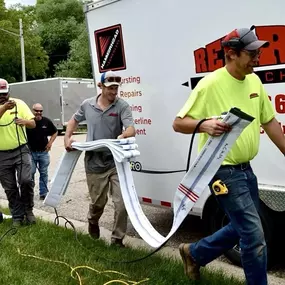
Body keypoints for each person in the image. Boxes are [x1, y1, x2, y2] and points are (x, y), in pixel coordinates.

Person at [172, 27, 285, 285]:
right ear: (231, 53)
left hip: (246, 170)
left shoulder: (254, 81)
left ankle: (194, 253)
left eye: (259, 52)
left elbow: (269, 122)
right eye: (252, 53)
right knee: (255, 235)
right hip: (222, 170)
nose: (257, 58)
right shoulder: (210, 84)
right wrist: (203, 125)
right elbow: (178, 123)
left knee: (242, 226)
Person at [64, 70, 136, 247]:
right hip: (94, 162)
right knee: (99, 202)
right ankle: (93, 220)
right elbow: (73, 121)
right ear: (101, 86)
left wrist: (124, 135)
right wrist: (67, 138)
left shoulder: (122, 106)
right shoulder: (87, 105)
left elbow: (131, 129)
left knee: (122, 203)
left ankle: (117, 239)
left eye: (116, 89)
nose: (114, 92)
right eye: (110, 88)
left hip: (115, 162)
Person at [0, 78, 36, 226]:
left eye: (4, 93)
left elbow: (33, 124)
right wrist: (3, 108)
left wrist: (25, 121)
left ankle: (28, 210)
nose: (2, 96)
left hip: (21, 150)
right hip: (1, 154)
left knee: (26, 180)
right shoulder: (4, 107)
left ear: (9, 92)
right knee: (10, 187)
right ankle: (17, 216)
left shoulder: (19, 103)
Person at [26, 103, 58, 200]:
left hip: (43, 152)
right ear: (32, 111)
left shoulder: (46, 121)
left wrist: (50, 143)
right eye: (36, 111)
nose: (38, 113)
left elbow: (55, 132)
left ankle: (43, 193)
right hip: (31, 153)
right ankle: (29, 194)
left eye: (40, 111)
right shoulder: (28, 122)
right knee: (30, 173)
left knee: (44, 173)